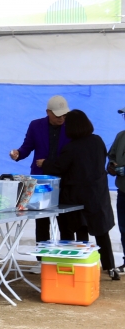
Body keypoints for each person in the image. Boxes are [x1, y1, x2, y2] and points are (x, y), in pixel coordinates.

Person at [38, 109, 119, 280]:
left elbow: (59, 167)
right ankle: (111, 267)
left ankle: (76, 265)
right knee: (101, 232)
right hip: (97, 194)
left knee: (74, 230)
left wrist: (44, 163)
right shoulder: (98, 141)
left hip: (76, 197)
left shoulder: (71, 148)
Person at [9, 96, 70, 243]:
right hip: (41, 179)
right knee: (41, 219)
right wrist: (18, 154)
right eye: (58, 115)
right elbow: (27, 146)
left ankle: (67, 251)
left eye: (64, 115)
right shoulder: (36, 125)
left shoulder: (71, 126)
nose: (61, 118)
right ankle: (41, 252)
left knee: (66, 220)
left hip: (65, 178)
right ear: (48, 112)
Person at [108, 105, 125, 272]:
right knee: (124, 227)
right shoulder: (121, 136)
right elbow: (111, 156)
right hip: (123, 189)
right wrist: (111, 167)